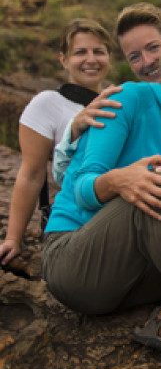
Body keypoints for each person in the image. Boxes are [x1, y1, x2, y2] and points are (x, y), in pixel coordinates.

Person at [42, 19, 161, 366]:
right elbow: (82, 189)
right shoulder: (129, 99)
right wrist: (120, 181)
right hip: (77, 259)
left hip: (146, 277)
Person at [52, 2, 161, 185]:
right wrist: (74, 132)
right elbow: (63, 176)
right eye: (134, 57)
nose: (148, 61)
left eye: (153, 48)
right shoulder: (120, 106)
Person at [0, 18, 120, 267]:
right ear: (64, 60)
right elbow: (31, 174)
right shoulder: (47, 103)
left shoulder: (119, 103)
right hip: (72, 223)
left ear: (109, 58)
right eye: (80, 52)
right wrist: (13, 239)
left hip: (116, 216)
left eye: (99, 51)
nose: (91, 59)